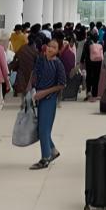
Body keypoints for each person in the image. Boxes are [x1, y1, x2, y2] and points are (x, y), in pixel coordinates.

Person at [30, 37, 66, 170]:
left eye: (54, 47)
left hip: (49, 99)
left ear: (58, 51)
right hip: (38, 97)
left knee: (44, 129)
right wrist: (32, 91)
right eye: (49, 46)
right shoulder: (41, 60)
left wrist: (44, 92)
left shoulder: (58, 64)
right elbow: (34, 75)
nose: (50, 49)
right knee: (41, 129)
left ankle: (45, 157)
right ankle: (53, 151)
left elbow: (62, 84)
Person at [10, 32, 40, 97]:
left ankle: (23, 100)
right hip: (31, 72)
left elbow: (15, 57)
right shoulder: (35, 50)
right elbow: (38, 63)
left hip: (22, 71)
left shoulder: (22, 48)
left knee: (23, 89)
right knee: (31, 89)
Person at [83, 29, 103, 101]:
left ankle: (88, 92)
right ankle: (95, 94)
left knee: (89, 77)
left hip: (89, 62)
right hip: (98, 62)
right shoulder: (100, 43)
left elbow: (84, 53)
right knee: (96, 78)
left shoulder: (87, 43)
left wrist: (82, 61)